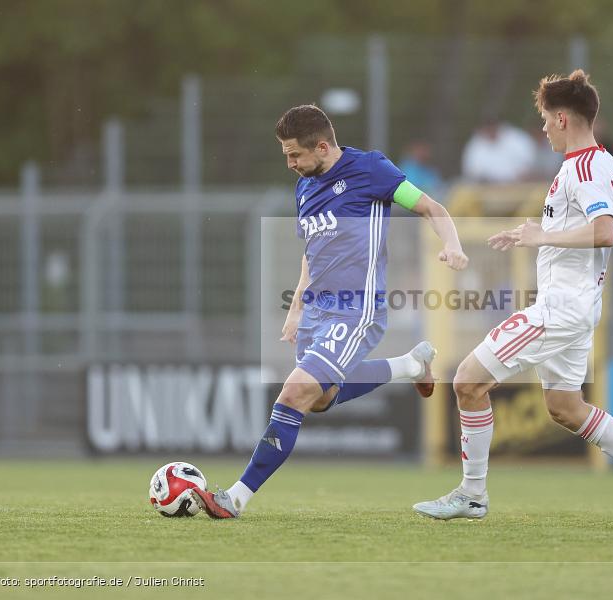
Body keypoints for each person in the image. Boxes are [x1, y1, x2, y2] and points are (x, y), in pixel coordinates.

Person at [413, 71, 613, 526]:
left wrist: (543, 234)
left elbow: (605, 232)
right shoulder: (597, 164)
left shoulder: (586, 168)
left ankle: (472, 495)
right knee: (565, 407)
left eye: (544, 119)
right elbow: (583, 229)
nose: (542, 129)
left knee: (465, 382)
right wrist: (536, 236)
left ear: (562, 118)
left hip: (560, 309)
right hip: (576, 308)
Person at [192, 105, 469, 518]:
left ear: (322, 146)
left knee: (294, 393)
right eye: (286, 155)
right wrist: (296, 308)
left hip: (356, 310)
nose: (290, 164)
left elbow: (432, 207)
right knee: (320, 399)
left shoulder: (371, 170)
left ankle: (235, 498)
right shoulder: (304, 186)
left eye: (295, 155)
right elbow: (312, 252)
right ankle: (410, 366)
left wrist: (453, 244)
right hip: (316, 310)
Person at [461, 118, 537, 183]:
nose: (491, 129)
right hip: (486, 191)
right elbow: (472, 172)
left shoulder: (518, 139)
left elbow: (529, 165)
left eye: (492, 125)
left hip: (519, 187)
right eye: (488, 126)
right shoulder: (475, 144)